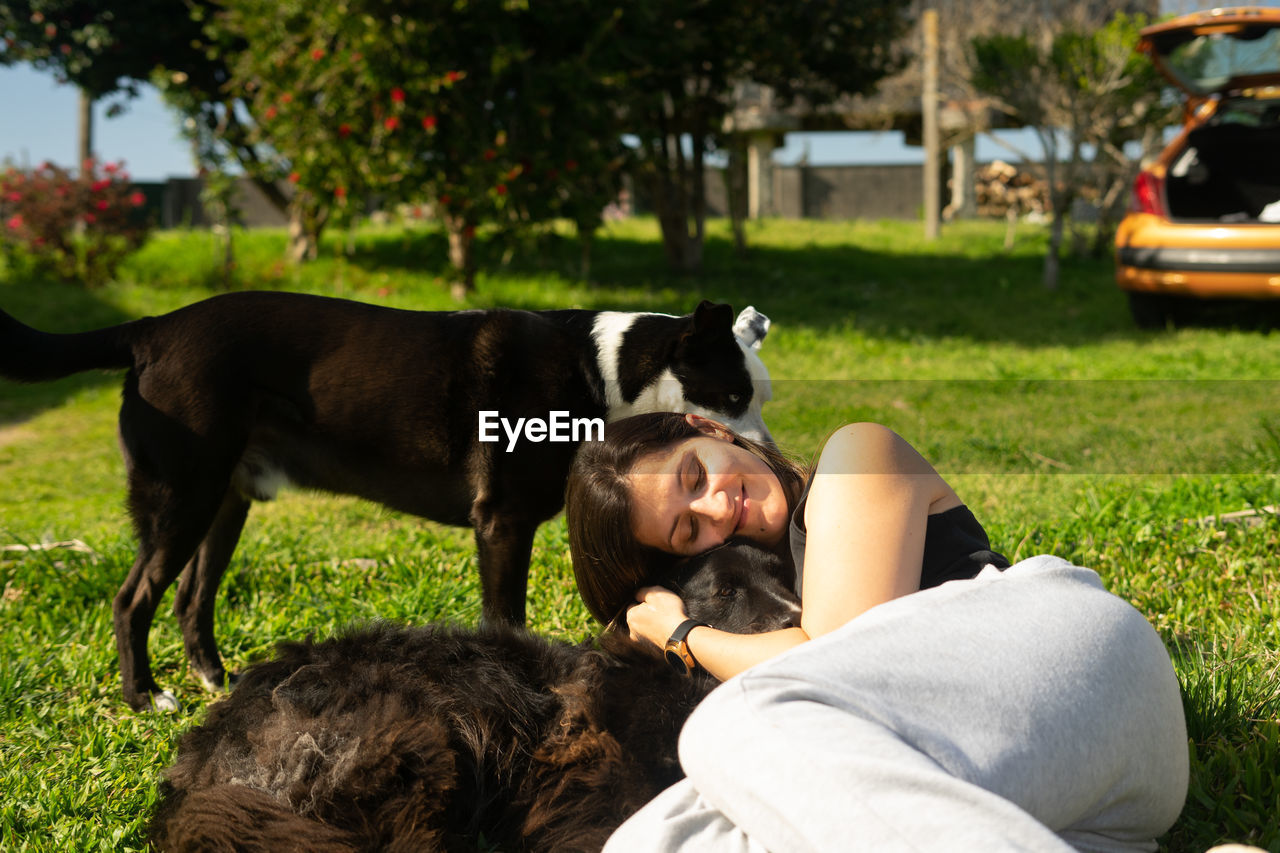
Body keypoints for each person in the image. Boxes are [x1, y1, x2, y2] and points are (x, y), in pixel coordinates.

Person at [564, 412, 1188, 852]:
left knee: (729, 728)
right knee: (663, 839)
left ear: (709, 428)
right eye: (688, 533)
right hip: (1044, 777)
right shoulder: (756, 582)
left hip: (1063, 654)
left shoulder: (857, 456)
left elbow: (828, 655)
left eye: (695, 477)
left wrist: (682, 633)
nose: (717, 510)